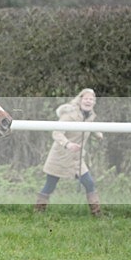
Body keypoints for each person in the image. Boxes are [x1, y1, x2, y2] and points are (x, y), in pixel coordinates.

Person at [35, 88, 104, 216]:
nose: (88, 101)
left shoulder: (90, 116)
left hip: (77, 159)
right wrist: (68, 144)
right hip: (60, 156)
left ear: (94, 102)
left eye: (91, 99)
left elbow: (89, 128)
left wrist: (98, 134)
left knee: (89, 183)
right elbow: (56, 132)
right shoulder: (69, 114)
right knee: (50, 185)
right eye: (86, 98)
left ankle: (97, 214)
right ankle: (38, 212)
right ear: (80, 100)